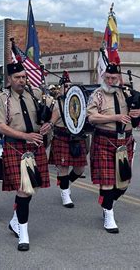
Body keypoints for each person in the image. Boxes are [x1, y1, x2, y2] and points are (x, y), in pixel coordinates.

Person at [0, 62, 52, 251]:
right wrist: (25, 135)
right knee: (24, 190)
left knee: (32, 187)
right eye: (17, 77)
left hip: (35, 146)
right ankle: (23, 234)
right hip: (16, 146)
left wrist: (49, 123)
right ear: (9, 79)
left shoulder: (33, 96)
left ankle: (16, 221)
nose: (21, 80)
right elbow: (0, 126)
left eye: (24, 77)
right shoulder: (2, 99)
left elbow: (56, 109)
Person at [87, 63, 140, 233]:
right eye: (107, 77)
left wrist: (139, 112)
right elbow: (92, 117)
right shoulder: (97, 95)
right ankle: (108, 215)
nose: (110, 81)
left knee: (123, 183)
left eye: (113, 78)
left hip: (125, 141)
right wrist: (115, 117)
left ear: (119, 77)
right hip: (105, 140)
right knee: (107, 182)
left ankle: (108, 203)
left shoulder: (127, 92)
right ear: (103, 77)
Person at [49, 71, 87, 208]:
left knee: (80, 169)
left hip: (76, 138)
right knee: (63, 168)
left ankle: (66, 184)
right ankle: (65, 193)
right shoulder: (57, 104)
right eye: (65, 86)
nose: (68, 88)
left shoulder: (78, 101)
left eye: (70, 86)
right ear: (60, 88)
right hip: (62, 137)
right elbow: (52, 121)